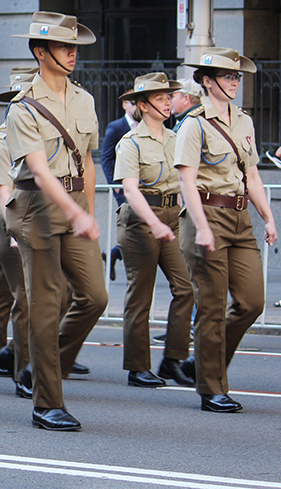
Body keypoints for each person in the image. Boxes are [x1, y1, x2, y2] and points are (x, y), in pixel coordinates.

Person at [5, 12, 108, 431]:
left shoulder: (84, 99)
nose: (72, 53)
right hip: (38, 209)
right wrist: (75, 212)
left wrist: (90, 211)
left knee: (95, 296)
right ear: (39, 51)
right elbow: (40, 171)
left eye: (75, 47)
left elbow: (86, 159)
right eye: (65, 47)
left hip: (73, 207)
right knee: (46, 307)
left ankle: (41, 367)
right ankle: (46, 404)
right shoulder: (22, 107)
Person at [176, 46, 277, 413]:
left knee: (252, 301)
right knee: (212, 306)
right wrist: (201, 226)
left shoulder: (244, 121)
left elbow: (251, 174)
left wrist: (268, 216)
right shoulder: (194, 123)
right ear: (207, 81)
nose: (235, 82)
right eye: (228, 76)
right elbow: (186, 180)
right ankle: (211, 387)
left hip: (240, 217)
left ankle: (204, 363)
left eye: (237, 76)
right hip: (207, 214)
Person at [113, 73, 195, 388]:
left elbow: (189, 182)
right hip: (139, 221)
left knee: (185, 288)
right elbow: (130, 190)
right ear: (144, 105)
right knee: (141, 295)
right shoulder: (130, 142)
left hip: (172, 216)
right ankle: (137, 367)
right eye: (160, 99)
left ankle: (173, 360)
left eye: (168, 98)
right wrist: (155, 222)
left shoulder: (176, 139)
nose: (167, 103)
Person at [0, 68, 37, 399]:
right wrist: (16, 231)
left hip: (33, 224)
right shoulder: (4, 140)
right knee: (23, 296)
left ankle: (4, 353)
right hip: (9, 225)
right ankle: (20, 367)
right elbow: (5, 193)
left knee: (7, 291)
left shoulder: (34, 137)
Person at [101, 93, 137, 280]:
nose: (137, 107)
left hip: (143, 186)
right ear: (124, 105)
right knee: (133, 224)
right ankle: (117, 253)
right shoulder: (116, 127)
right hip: (123, 186)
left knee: (139, 226)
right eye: (133, 103)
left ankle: (114, 253)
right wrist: (114, 184)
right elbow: (106, 157)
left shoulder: (147, 125)